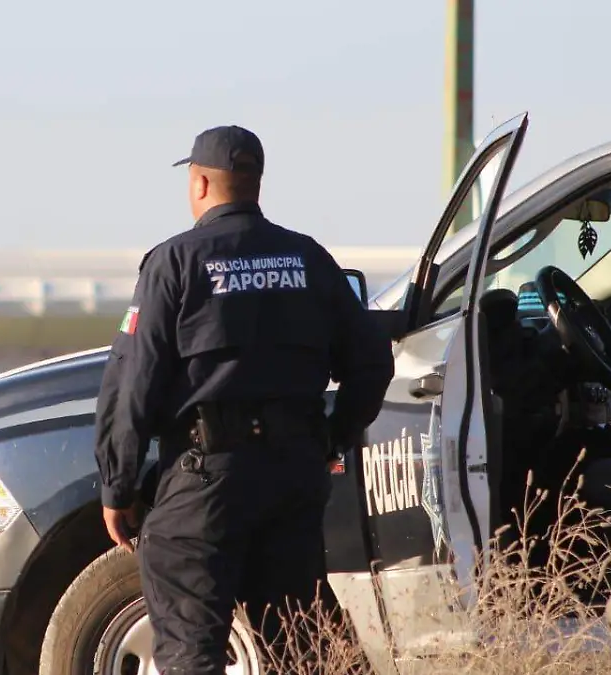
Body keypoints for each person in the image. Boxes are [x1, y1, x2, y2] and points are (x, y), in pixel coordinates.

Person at [93, 124, 395, 674]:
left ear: (202, 184)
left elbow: (133, 378)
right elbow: (373, 362)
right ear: (255, 184)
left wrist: (118, 484)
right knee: (301, 646)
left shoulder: (175, 263)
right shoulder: (308, 260)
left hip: (205, 481)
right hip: (292, 478)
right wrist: (332, 437)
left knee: (191, 649)